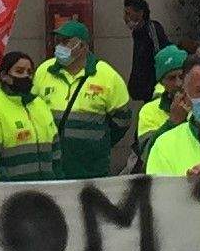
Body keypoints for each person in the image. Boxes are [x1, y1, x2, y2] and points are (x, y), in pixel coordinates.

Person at [35, 20, 132, 177]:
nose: (59, 47)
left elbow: (122, 120)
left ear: (83, 46)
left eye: (65, 42)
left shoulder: (107, 76)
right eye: (58, 41)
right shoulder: (44, 71)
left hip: (91, 169)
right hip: (51, 167)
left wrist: (99, 143)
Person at [0, 50, 61, 182]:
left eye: (29, 72)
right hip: (13, 188)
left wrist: (58, 180)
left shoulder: (40, 104)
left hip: (46, 186)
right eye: (19, 71)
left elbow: (55, 148)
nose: (26, 76)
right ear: (4, 76)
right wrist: (7, 187)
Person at [131, 45, 191, 163]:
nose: (178, 83)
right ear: (162, 82)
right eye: (171, 78)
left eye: (182, 76)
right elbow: (148, 154)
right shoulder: (149, 111)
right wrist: (173, 122)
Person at [122, 0, 170, 106]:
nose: (125, 18)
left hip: (154, 85)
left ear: (140, 13)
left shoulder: (152, 29)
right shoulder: (136, 32)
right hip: (144, 87)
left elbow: (160, 55)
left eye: (128, 13)